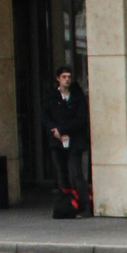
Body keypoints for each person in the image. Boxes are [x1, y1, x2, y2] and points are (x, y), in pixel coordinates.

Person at [43, 67, 90, 218]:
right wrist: (54, 131)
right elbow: (46, 116)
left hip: (74, 140)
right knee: (61, 175)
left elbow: (81, 119)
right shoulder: (52, 97)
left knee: (76, 174)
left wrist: (62, 129)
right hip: (57, 141)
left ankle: (83, 207)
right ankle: (66, 207)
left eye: (69, 76)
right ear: (58, 78)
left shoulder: (77, 96)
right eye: (64, 77)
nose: (67, 79)